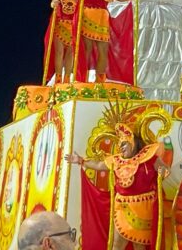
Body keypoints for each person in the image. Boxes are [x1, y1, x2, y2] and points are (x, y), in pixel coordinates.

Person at [66, 104, 168, 250]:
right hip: (122, 207)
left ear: (133, 142)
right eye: (120, 145)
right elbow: (100, 165)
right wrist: (81, 161)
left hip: (143, 207)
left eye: (124, 144)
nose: (121, 147)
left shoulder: (148, 157)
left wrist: (162, 174)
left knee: (139, 245)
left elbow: (165, 170)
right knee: (116, 244)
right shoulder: (116, 160)